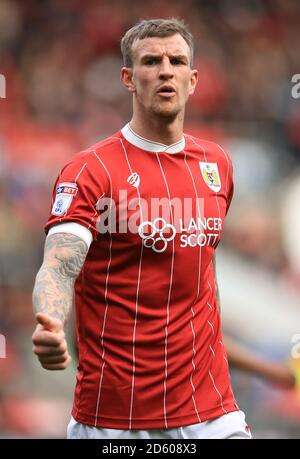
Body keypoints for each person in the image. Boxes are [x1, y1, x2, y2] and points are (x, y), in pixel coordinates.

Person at [32, 18, 252, 439]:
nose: (166, 70)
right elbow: (60, 264)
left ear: (194, 80)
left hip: (212, 412)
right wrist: (51, 321)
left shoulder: (217, 165)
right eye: (151, 61)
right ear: (128, 79)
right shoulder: (90, 171)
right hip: (116, 422)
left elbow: (204, 273)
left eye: (177, 61)